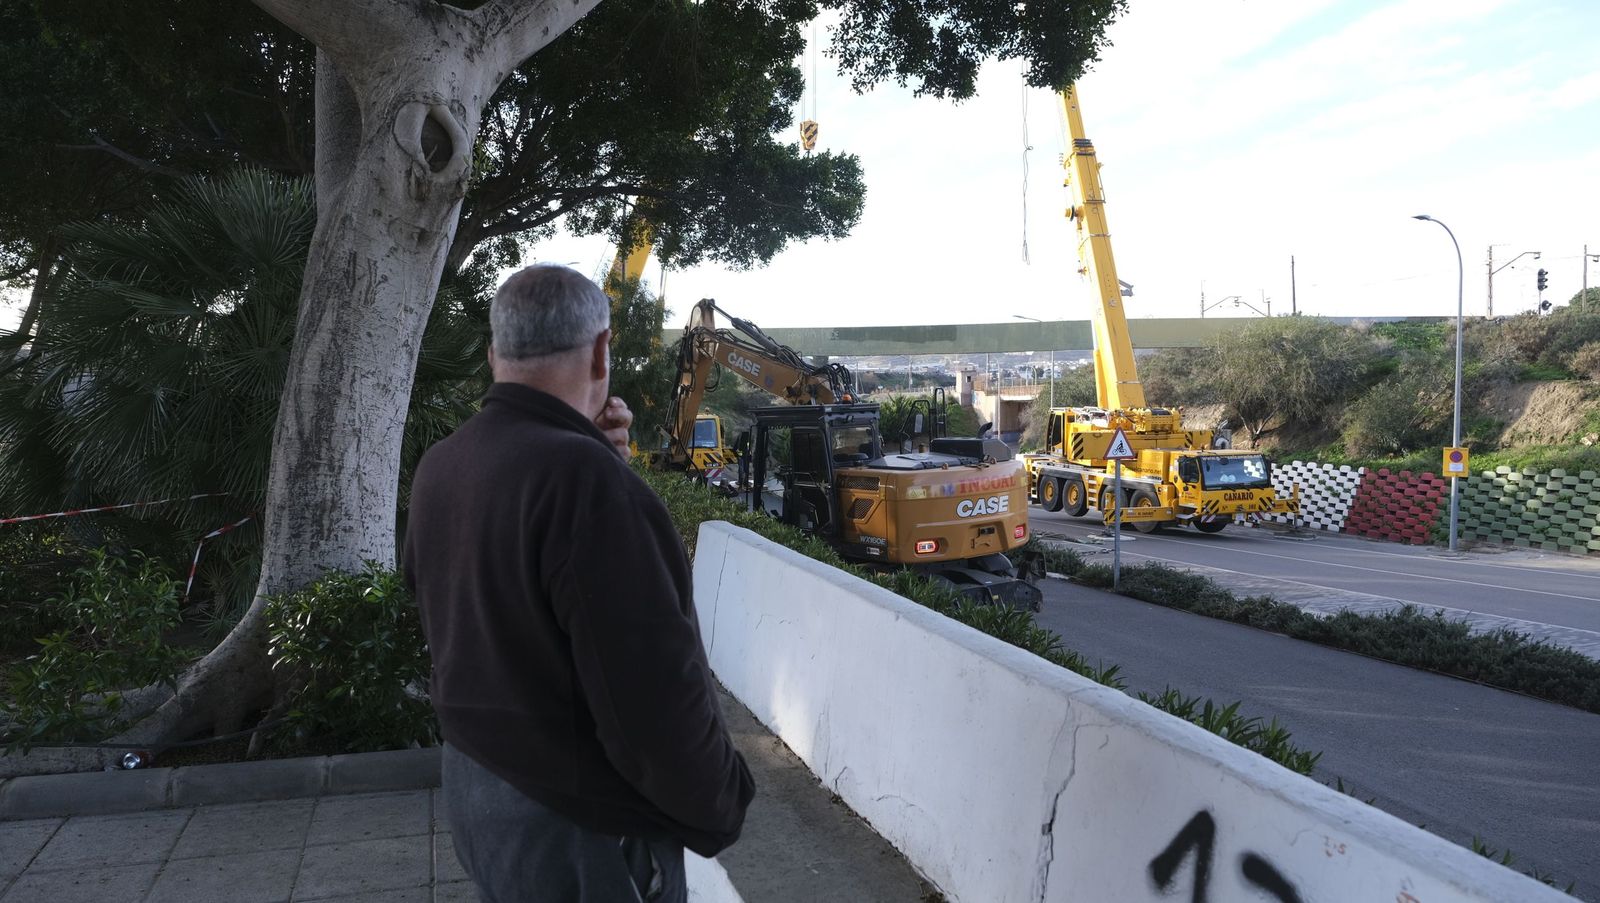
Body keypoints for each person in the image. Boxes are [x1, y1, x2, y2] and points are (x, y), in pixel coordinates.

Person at [403, 264, 755, 902]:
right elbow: (652, 696)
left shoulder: (444, 465)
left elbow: (476, 609)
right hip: (583, 830)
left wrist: (595, 460)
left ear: (494, 353)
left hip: (482, 796)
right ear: (600, 350)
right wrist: (722, 802)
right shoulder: (583, 485)